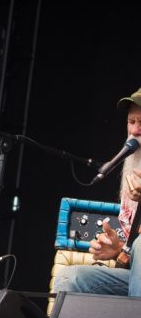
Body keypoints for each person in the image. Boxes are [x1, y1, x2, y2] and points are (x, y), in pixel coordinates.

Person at [53, 87, 141, 296]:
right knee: (70, 279)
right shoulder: (132, 174)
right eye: (132, 122)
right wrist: (119, 250)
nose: (135, 130)